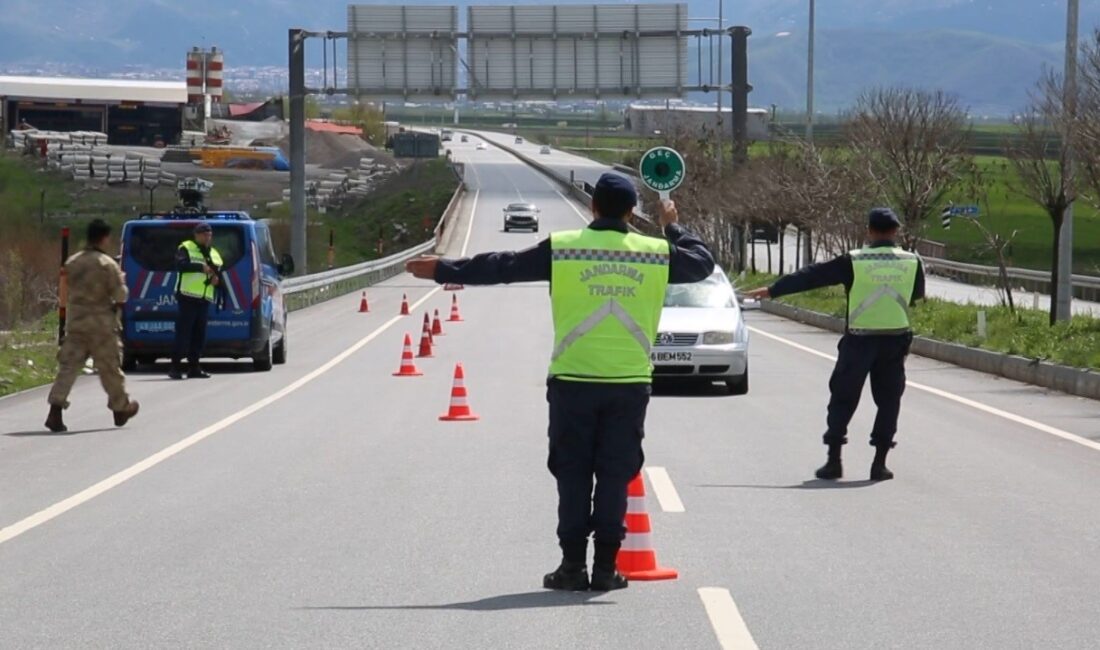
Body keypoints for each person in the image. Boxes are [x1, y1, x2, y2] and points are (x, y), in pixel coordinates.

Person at [406, 173, 715, 591]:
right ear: (629, 212)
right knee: (614, 474)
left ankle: (572, 567)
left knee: (572, 475)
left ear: (592, 208)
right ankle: (606, 568)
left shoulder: (566, 248)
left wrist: (444, 269)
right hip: (629, 383)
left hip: (573, 381)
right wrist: (671, 223)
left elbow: (504, 266)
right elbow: (701, 262)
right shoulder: (656, 252)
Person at [744, 207, 925, 482]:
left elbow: (813, 276)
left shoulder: (854, 260)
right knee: (889, 401)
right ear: (896, 231)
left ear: (869, 231)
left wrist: (772, 290)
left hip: (859, 340)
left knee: (843, 397)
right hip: (895, 339)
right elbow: (916, 294)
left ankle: (834, 461)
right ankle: (880, 463)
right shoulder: (912, 261)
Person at [45, 219, 140, 432]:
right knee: (110, 368)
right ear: (104, 238)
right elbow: (120, 294)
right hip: (101, 324)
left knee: (68, 368)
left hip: (77, 321)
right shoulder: (107, 264)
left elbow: (65, 288)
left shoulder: (73, 262)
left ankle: (55, 411)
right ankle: (120, 408)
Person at [170, 223, 223, 380]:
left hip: (204, 298)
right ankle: (175, 367)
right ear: (196, 235)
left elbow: (218, 273)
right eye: (204, 234)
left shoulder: (213, 253)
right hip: (187, 296)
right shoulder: (186, 248)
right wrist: (201, 267)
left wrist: (216, 280)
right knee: (183, 333)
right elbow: (180, 265)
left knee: (199, 335)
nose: (207, 237)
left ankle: (194, 367)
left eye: (209, 235)